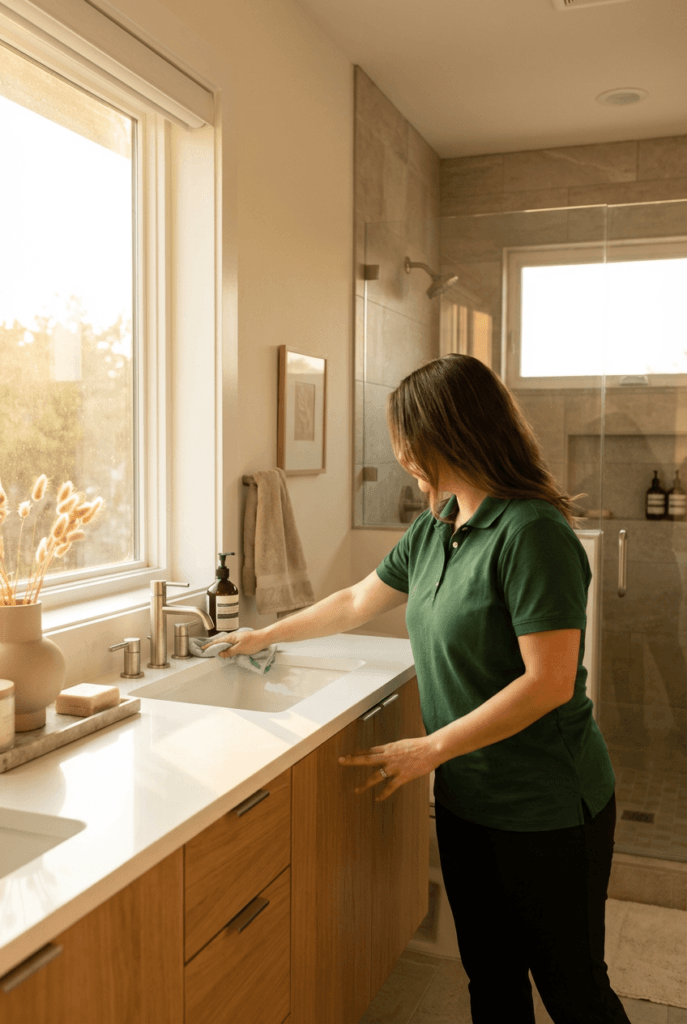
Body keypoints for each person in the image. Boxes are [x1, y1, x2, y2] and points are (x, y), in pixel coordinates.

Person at [206, 354, 630, 1024]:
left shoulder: (531, 533)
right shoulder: (436, 528)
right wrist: (265, 635)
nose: (401, 453)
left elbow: (547, 684)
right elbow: (353, 601)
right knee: (489, 978)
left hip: (547, 805)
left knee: (572, 986)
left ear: (448, 433)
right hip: (469, 798)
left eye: (406, 437)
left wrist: (431, 748)